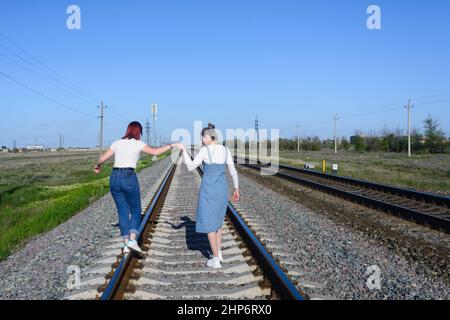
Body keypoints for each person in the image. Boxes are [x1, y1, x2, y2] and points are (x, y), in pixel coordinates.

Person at [93, 121, 182, 255]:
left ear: (128, 130)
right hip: (129, 176)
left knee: (122, 211)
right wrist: (173, 144)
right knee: (135, 210)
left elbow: (102, 158)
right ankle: (132, 241)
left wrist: (98, 165)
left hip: (114, 177)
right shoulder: (138, 144)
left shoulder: (117, 143)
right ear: (138, 132)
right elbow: (155, 152)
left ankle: (125, 244)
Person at [179, 123, 240, 269]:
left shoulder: (205, 150)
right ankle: (218, 252)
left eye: (202, 138)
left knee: (209, 225)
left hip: (209, 190)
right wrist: (236, 188)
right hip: (222, 189)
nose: (201, 140)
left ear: (207, 137)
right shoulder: (225, 150)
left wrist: (183, 151)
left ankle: (216, 259)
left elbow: (191, 166)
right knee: (218, 222)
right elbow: (233, 170)